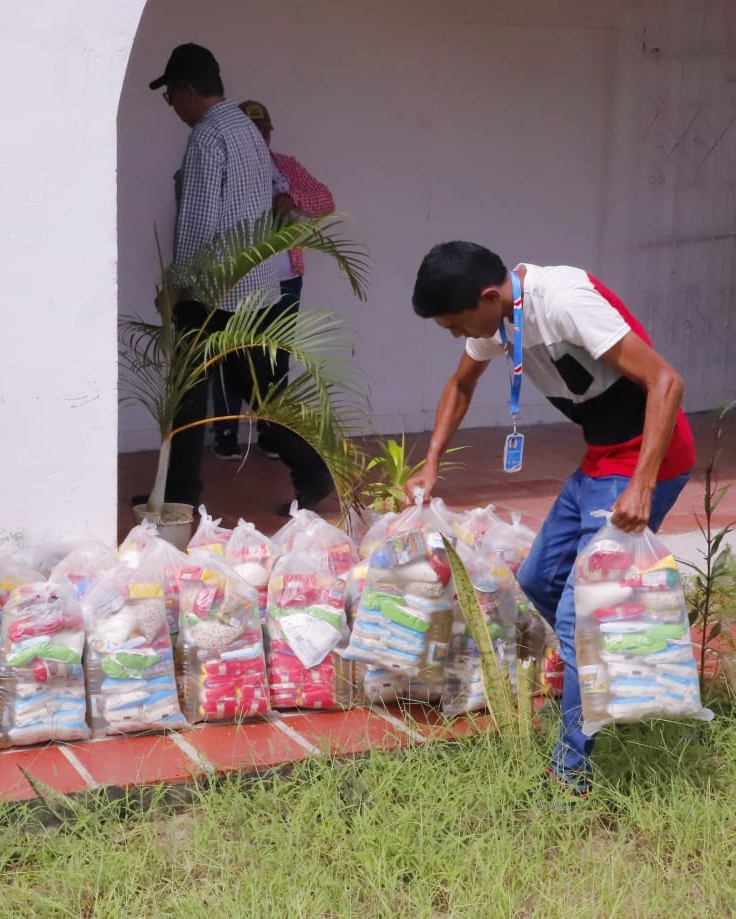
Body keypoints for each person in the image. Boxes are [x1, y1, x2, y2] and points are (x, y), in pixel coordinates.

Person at [407, 241, 695, 796]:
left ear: (490, 296)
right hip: (600, 459)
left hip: (642, 460)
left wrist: (642, 484)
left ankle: (571, 773)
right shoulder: (496, 315)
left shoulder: (564, 301)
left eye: (455, 323)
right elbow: (460, 384)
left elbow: (667, 382)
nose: (454, 335)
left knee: (578, 613)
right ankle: (601, 687)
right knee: (540, 581)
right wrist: (431, 462)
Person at [147, 43, 333, 512]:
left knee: (191, 396)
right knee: (261, 394)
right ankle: (309, 473)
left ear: (188, 90)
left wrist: (177, 285)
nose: (172, 107)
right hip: (252, 288)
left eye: (171, 96)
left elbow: (198, 221)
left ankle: (179, 497)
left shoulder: (208, 136)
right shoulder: (247, 132)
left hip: (211, 294)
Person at [211, 99, 336, 462]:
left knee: (276, 354)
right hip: (237, 280)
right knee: (231, 353)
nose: (259, 138)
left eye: (263, 130)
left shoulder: (285, 166)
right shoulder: (225, 167)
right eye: (251, 132)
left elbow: (324, 199)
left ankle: (271, 431)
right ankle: (225, 432)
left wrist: (289, 196)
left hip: (284, 278)